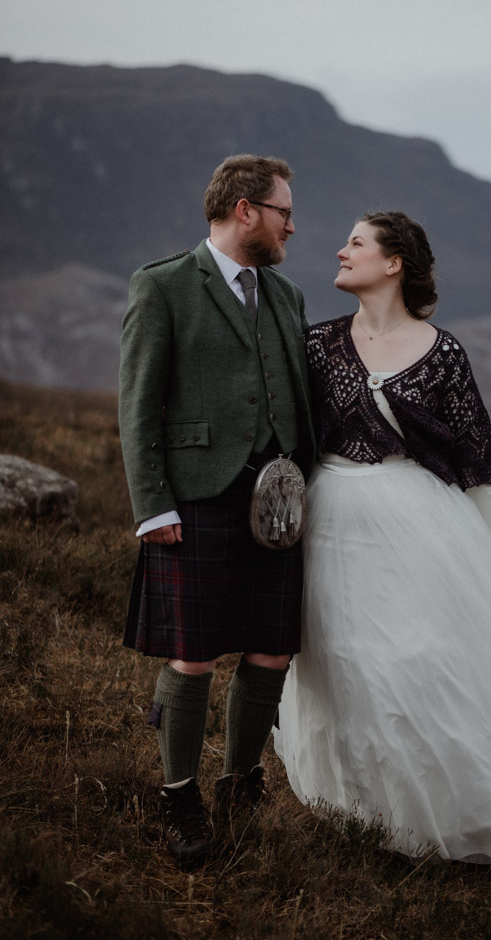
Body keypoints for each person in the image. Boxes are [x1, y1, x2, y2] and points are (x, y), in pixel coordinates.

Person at [274, 210, 491, 864]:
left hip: (418, 523)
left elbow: (475, 455)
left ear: (393, 264)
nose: (339, 250)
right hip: (330, 523)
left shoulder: (443, 354)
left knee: (420, 661)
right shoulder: (317, 342)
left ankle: (455, 819)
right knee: (345, 666)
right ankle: (365, 819)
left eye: (355, 243)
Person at [119, 154, 315, 868]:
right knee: (193, 654)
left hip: (277, 499)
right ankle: (180, 797)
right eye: (282, 211)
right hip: (196, 494)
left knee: (271, 647)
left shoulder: (287, 296)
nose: (292, 224)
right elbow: (137, 403)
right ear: (244, 211)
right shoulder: (164, 284)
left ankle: (239, 780)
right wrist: (152, 507)